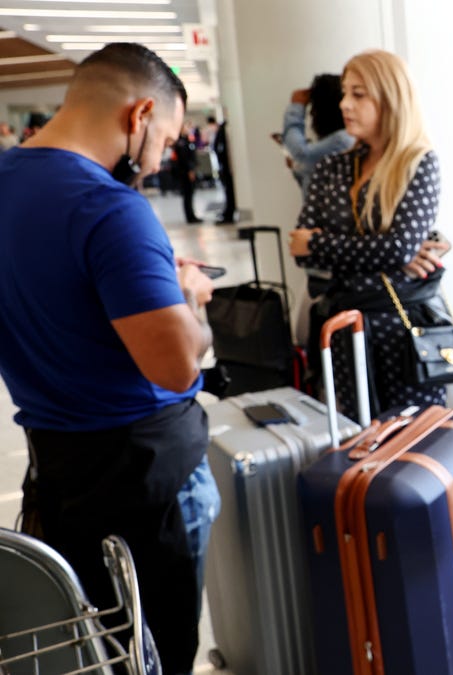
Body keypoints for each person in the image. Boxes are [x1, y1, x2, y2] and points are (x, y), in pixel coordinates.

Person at [0, 43, 218, 675]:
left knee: (94, 648)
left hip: (58, 465)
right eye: (166, 138)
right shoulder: (111, 208)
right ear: (140, 113)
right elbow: (176, 366)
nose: (159, 161)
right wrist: (188, 301)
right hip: (144, 479)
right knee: (157, 651)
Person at [290, 49, 450, 415]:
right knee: (359, 443)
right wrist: (387, 252)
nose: (345, 103)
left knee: (414, 446)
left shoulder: (418, 163)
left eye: (359, 94)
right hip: (347, 331)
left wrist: (319, 241)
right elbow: (302, 253)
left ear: (390, 98)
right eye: (346, 92)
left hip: (406, 333)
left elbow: (397, 247)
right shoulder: (332, 167)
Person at [281, 73, 356, 194]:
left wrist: (296, 107)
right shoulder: (335, 142)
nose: (311, 113)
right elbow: (309, 186)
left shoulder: (343, 140)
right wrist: (297, 167)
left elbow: (300, 153)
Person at [172, 120, 202, 223]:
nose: (188, 129)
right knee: (188, 194)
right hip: (185, 172)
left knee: (190, 194)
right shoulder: (181, 142)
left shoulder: (186, 140)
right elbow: (184, 159)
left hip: (187, 171)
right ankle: (190, 216)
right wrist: (190, 171)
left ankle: (192, 215)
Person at [212, 115, 237, 223]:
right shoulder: (223, 129)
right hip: (227, 167)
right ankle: (229, 213)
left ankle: (229, 212)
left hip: (228, 167)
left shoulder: (226, 129)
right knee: (229, 191)